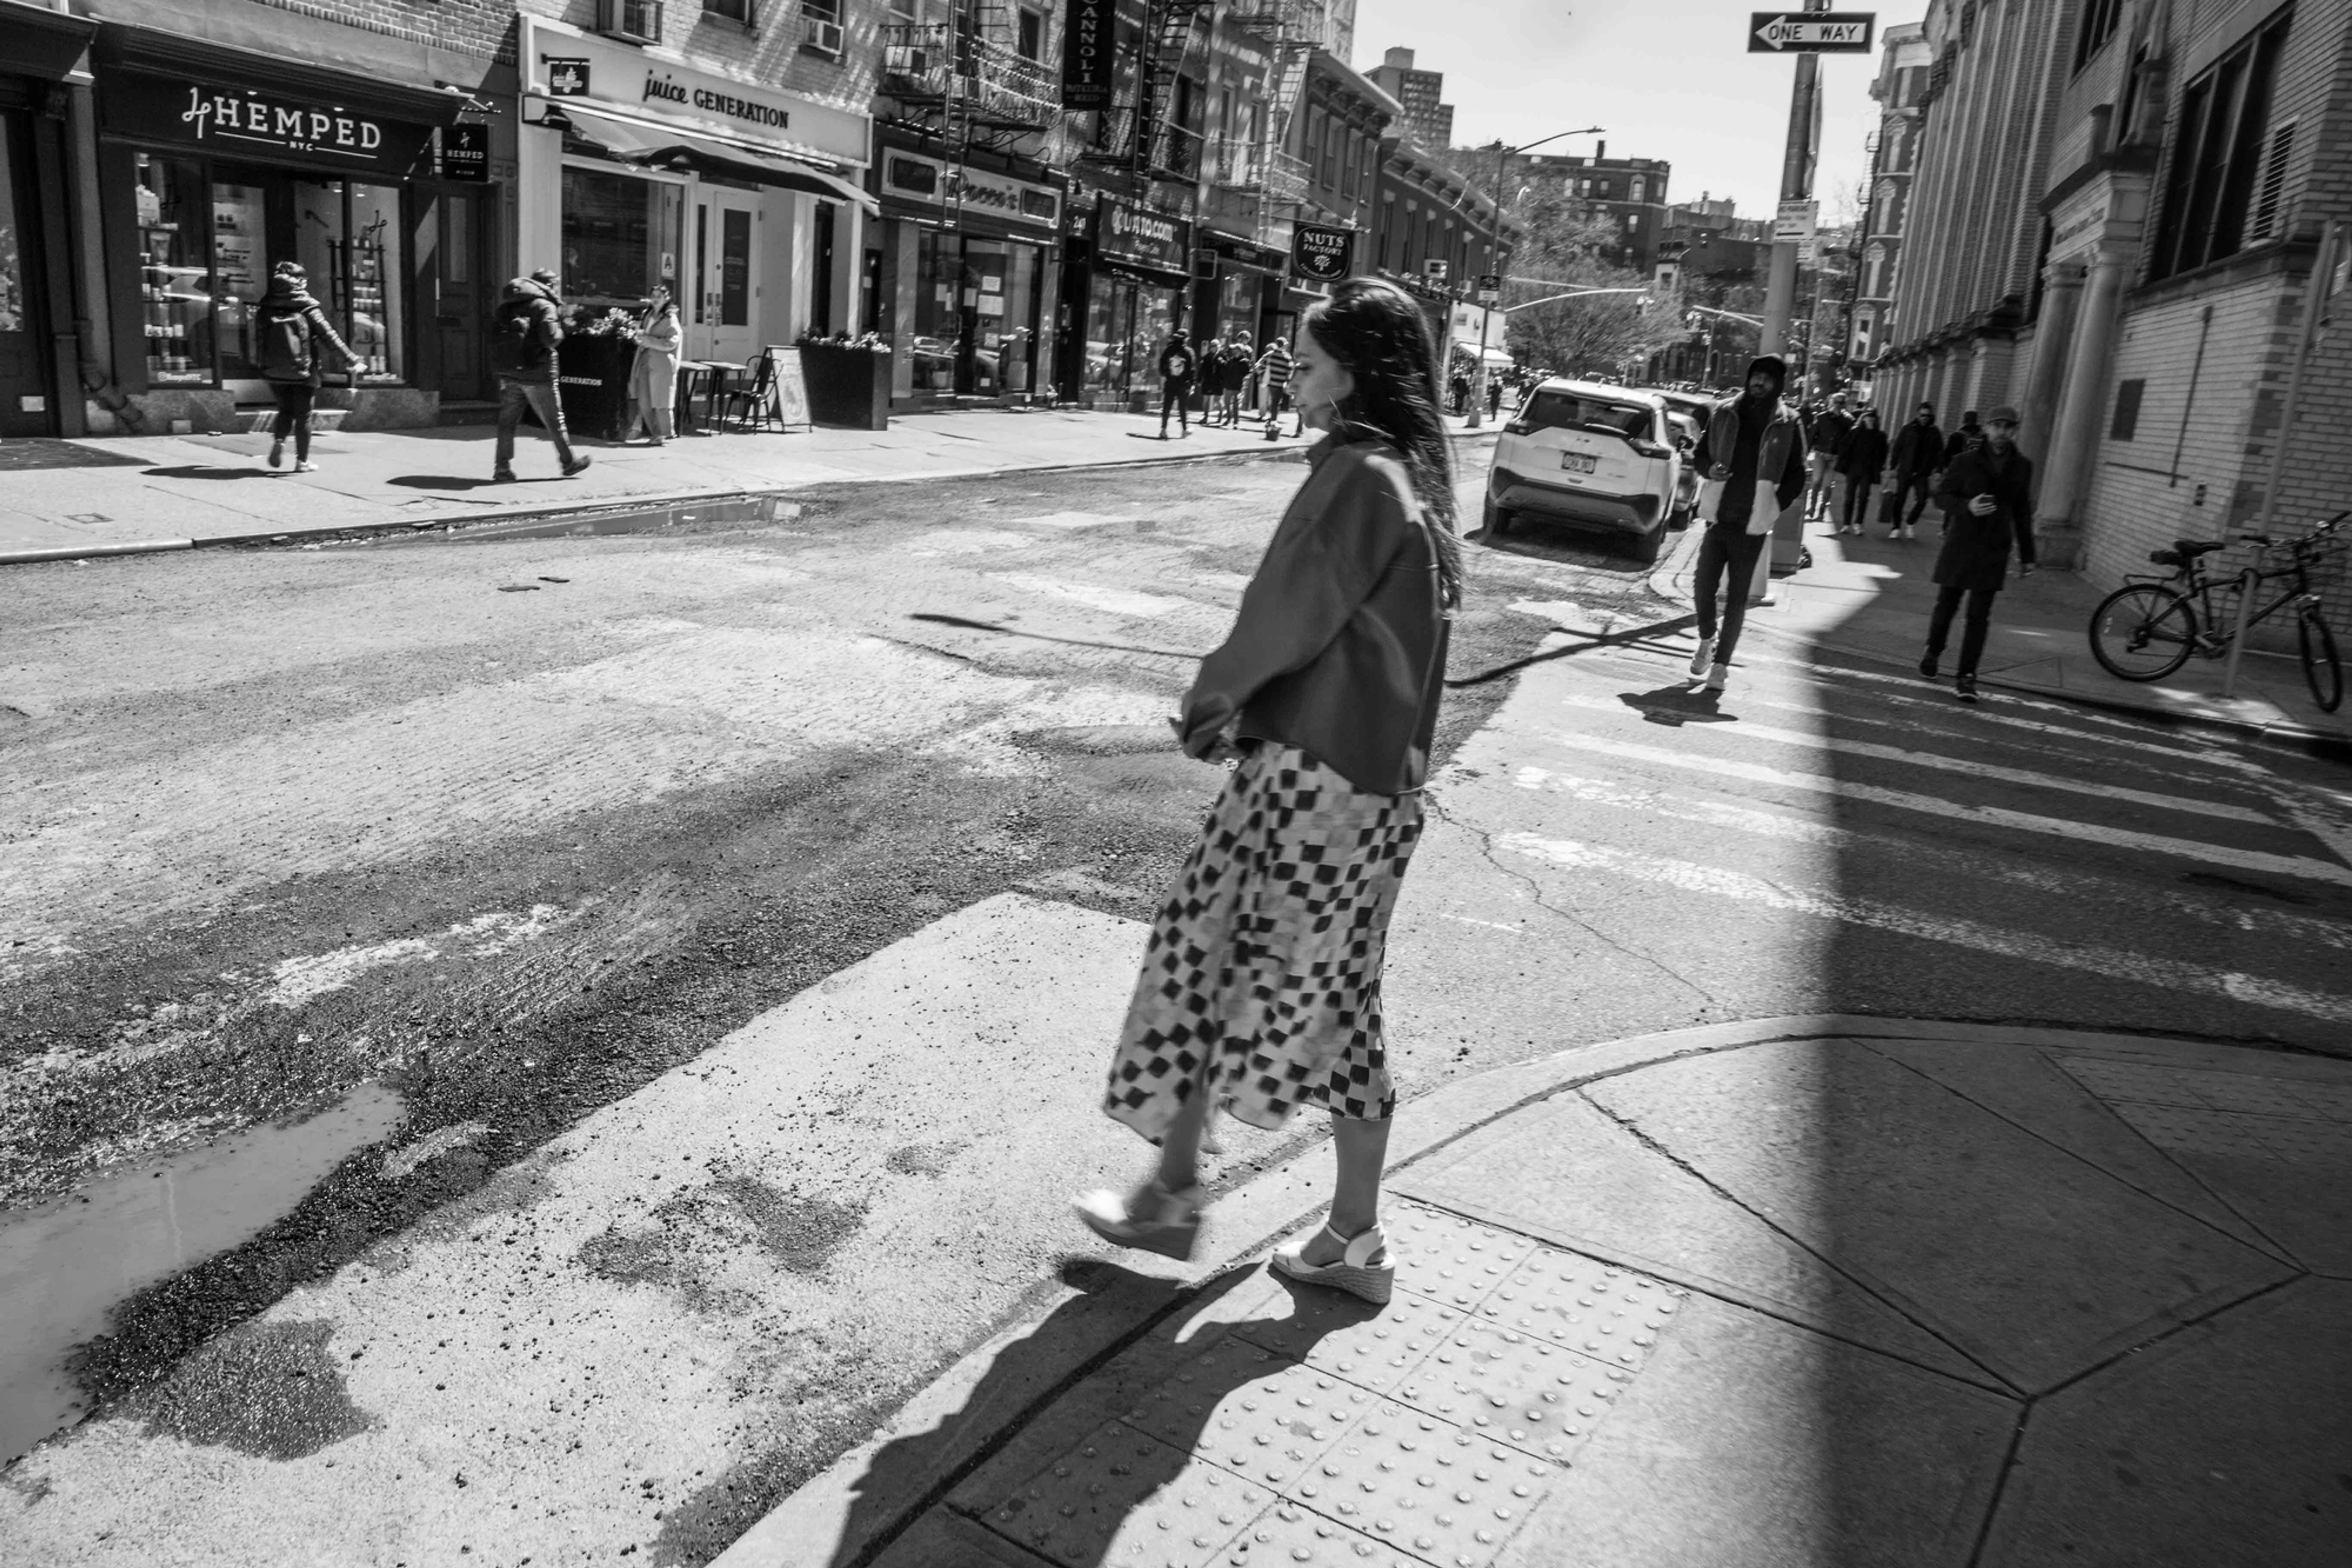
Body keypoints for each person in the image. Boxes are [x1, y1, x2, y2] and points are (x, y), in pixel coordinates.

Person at [1073, 276, 1462, 1306]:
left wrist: (1214, 700)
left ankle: (1168, 1192)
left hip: (1310, 785)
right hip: (1374, 799)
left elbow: (1283, 610)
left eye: (1303, 357)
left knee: (1209, 962)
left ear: (1354, 373)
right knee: (1333, 1003)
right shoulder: (1410, 483)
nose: (1289, 372)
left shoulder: (1357, 476)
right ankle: (1354, 1236)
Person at [1687, 355, 1808, 694]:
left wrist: (1773, 508)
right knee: (1702, 588)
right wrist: (1709, 470)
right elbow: (1700, 455)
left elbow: (1798, 475)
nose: (1759, 383)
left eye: (1767, 379)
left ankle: (1721, 666)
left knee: (1738, 598)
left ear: (1778, 385)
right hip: (1719, 517)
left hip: (1752, 525)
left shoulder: (1788, 422)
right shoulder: (1725, 412)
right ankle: (1707, 639)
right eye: (1756, 376)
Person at [1923, 405, 2036, 704]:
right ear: (1986, 428)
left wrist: (2028, 555)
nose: (2002, 432)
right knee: (1947, 606)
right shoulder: (1964, 461)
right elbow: (1942, 497)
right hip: (1961, 544)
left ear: (2015, 431)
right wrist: (1966, 507)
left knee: (1979, 616)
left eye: (2008, 427)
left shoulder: (2022, 466)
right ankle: (1933, 651)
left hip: (1994, 549)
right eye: (1997, 426)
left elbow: (2023, 512)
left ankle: (1967, 676)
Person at [254, 260, 357, 475]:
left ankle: (280, 441)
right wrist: (350, 359)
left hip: (274, 369)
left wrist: (262, 364)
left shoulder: (266, 306)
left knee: (285, 410)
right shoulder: (307, 306)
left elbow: (260, 339)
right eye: (305, 280)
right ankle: (302, 462)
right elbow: (329, 336)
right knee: (304, 416)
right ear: (299, 282)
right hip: (305, 369)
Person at [490, 269, 591, 482]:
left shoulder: (507, 307)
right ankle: (569, 463)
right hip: (538, 374)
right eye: (555, 284)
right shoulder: (545, 306)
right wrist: (562, 332)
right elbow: (550, 339)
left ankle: (502, 468)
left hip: (509, 373)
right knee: (555, 421)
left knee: (507, 423)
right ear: (549, 286)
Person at [624, 284, 681, 446]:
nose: (656, 299)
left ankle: (663, 434)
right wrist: (639, 339)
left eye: (660, 296)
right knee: (644, 401)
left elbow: (671, 343)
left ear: (666, 299)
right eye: (654, 296)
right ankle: (655, 432)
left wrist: (648, 340)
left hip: (662, 363)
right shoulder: (648, 315)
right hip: (644, 360)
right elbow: (644, 335)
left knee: (661, 402)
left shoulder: (670, 318)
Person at [1885, 402, 1944, 539]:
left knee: (1922, 500)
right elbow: (1898, 448)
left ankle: (1910, 523)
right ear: (1918, 415)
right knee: (1900, 500)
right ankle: (1896, 527)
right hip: (1906, 470)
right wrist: (1893, 467)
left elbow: (1940, 452)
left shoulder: (1935, 432)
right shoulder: (1908, 429)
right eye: (1923, 415)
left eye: (1928, 416)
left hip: (1922, 473)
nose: (1925, 418)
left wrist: (1939, 470)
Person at [1835, 407, 1889, 536]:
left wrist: (1881, 467)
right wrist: (1844, 465)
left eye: (1873, 417)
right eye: (1868, 417)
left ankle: (1858, 524)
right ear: (1863, 419)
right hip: (1854, 469)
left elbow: (1883, 453)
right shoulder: (1855, 432)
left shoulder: (1880, 436)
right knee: (1850, 497)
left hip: (1868, 471)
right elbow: (1844, 448)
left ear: (1876, 420)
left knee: (1864, 497)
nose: (1870, 419)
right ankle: (1846, 524)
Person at [1806, 393, 1854, 522]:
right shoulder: (1822, 417)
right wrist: (1806, 452)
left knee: (1828, 484)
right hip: (1820, 454)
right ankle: (1812, 507)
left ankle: (1822, 510)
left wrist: (1847, 457)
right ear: (1831, 403)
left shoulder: (1848, 420)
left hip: (1835, 456)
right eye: (1836, 402)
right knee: (1817, 480)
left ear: (1845, 405)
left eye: (1842, 403)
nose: (1839, 405)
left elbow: (1850, 441)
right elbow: (1812, 435)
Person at [1157, 327, 1197, 438]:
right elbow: (1192, 369)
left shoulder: (1169, 349)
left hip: (1170, 382)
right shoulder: (1189, 352)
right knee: (1183, 407)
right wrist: (1192, 383)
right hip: (1183, 383)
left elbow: (1162, 365)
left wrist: (1167, 375)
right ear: (1186, 339)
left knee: (1167, 406)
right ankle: (1184, 430)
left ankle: (1163, 429)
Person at [1257, 335, 1295, 440]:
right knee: (1276, 403)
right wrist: (1288, 382)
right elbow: (1290, 371)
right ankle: (1274, 421)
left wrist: (1266, 373)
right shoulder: (1287, 357)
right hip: (1280, 383)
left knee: (1273, 402)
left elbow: (1261, 365)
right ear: (1284, 346)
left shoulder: (1271, 355)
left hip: (1271, 383)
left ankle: (1272, 420)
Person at [1222, 331, 1253, 426]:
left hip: (1239, 382)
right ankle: (1229, 417)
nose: (1243, 340)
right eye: (1242, 337)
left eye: (1245, 338)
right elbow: (1226, 361)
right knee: (1227, 401)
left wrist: (1246, 378)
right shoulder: (1231, 353)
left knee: (1237, 402)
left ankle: (1235, 420)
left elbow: (1249, 368)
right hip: (1230, 382)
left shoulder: (1248, 352)